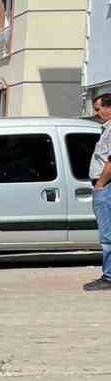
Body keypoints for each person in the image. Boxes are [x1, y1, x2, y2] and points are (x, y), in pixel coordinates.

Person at [88, 93, 111, 291]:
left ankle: (109, 277)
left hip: (106, 185)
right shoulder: (106, 129)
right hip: (105, 185)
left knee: (107, 235)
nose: (96, 113)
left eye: (98, 108)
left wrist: (100, 184)